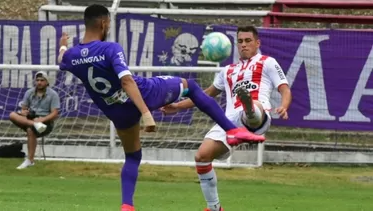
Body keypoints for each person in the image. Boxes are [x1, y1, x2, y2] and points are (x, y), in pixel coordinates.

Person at [56, 5, 265, 211]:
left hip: (116, 111)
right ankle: (232, 130)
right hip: (144, 94)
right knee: (189, 86)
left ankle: (127, 205)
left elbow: (60, 59)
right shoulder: (110, 48)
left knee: (132, 156)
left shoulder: (71, 56)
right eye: (108, 23)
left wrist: (63, 46)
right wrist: (147, 114)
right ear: (103, 23)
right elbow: (127, 81)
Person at [161, 26, 292, 211]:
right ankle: (214, 208)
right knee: (201, 156)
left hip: (259, 114)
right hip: (229, 122)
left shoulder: (268, 62)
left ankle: (247, 104)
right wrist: (176, 106)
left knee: (252, 108)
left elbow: (284, 88)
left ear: (257, 43)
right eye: (240, 41)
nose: (244, 45)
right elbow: (205, 95)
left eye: (248, 41)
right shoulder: (227, 71)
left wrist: (284, 106)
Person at [10, 71, 60, 169]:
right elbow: (24, 109)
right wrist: (24, 112)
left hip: (45, 122)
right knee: (12, 115)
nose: (39, 82)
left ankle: (30, 160)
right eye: (37, 80)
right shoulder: (29, 92)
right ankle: (34, 124)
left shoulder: (53, 94)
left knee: (30, 130)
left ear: (47, 82)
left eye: (42, 80)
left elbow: (54, 113)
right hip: (31, 119)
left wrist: (42, 119)